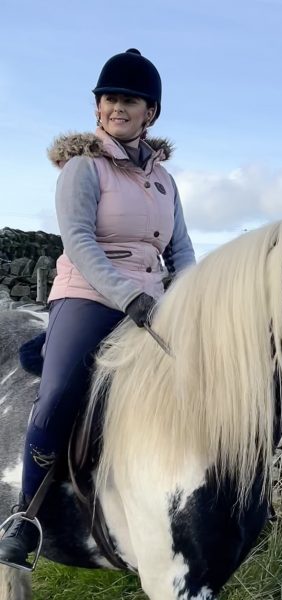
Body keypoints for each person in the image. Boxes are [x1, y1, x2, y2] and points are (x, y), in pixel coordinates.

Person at [0, 48, 195, 569]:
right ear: (97, 107)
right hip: (88, 293)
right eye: (109, 97)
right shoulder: (82, 168)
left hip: (151, 301)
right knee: (61, 390)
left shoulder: (164, 181)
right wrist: (126, 294)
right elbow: (80, 241)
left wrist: (191, 298)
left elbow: (181, 250)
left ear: (151, 112)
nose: (117, 106)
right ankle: (25, 520)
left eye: (130, 100)